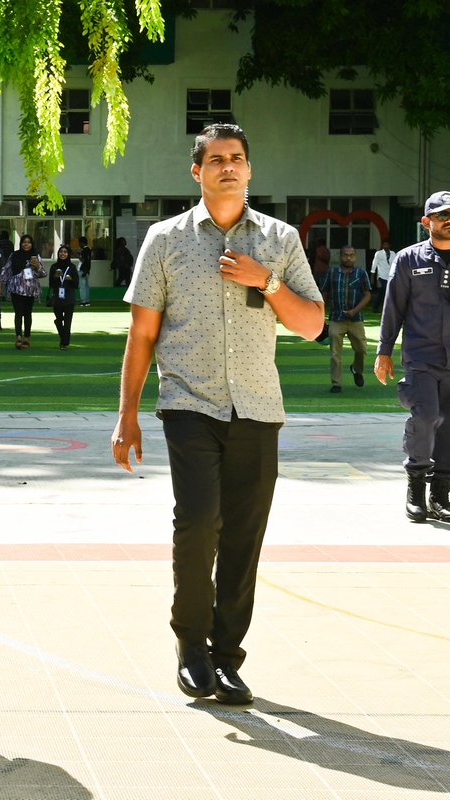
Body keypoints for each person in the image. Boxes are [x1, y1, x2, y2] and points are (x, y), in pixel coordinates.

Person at [111, 123, 324, 706]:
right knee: (199, 524)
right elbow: (143, 332)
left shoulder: (279, 239)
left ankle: (228, 657)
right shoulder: (165, 239)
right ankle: (191, 646)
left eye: (236, 159)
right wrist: (127, 413)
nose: (227, 167)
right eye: (215, 160)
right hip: (189, 405)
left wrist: (268, 281)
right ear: (197, 172)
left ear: (250, 170)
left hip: (258, 407)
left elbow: (310, 324)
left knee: (243, 537)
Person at [376, 191, 450, 523]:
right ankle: (416, 486)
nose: (448, 221)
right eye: (442, 216)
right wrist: (384, 351)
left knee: (449, 426)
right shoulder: (408, 259)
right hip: (422, 358)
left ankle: (440, 495)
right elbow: (393, 308)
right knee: (426, 418)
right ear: (426, 222)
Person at [320, 246, 371, 393]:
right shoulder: (332, 273)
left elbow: (367, 294)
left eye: (351, 255)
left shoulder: (361, 273)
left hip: (356, 319)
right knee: (335, 353)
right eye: (345, 255)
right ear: (340, 256)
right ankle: (336, 383)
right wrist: (320, 313)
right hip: (336, 318)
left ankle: (356, 369)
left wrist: (355, 310)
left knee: (361, 349)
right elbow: (324, 293)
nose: (348, 258)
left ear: (355, 257)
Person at [0, 234, 45, 349]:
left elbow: (43, 273)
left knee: (28, 313)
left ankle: (27, 337)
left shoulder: (35, 256)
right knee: (18, 313)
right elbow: (6, 270)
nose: (26, 244)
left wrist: (37, 266)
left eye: (29, 242)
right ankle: (18, 336)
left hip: (30, 289)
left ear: (32, 244)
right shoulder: (14, 255)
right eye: (24, 242)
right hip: (16, 288)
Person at [48, 246, 80, 349]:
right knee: (58, 319)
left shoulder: (72, 267)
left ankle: (64, 343)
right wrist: (55, 277)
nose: (63, 254)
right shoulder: (54, 267)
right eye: (61, 252)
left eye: (65, 252)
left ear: (68, 254)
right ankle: (64, 337)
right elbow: (51, 284)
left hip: (69, 298)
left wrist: (70, 279)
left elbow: (76, 285)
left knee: (67, 321)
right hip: (57, 298)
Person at [371, 239, 396, 313]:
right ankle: (385, 307)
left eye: (387, 244)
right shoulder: (378, 253)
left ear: (389, 246)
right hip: (382, 276)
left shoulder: (393, 253)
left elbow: (395, 264)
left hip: (391, 275)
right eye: (384, 244)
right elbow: (374, 264)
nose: (385, 246)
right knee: (385, 290)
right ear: (382, 246)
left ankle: (375, 307)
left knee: (382, 292)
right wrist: (372, 276)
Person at [78, 238, 92, 306]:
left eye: (79, 243)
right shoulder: (88, 250)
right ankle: (87, 301)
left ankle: (83, 301)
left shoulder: (85, 250)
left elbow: (84, 260)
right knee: (86, 286)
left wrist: (85, 270)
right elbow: (88, 261)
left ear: (82, 243)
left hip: (83, 270)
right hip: (86, 270)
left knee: (82, 286)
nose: (79, 244)